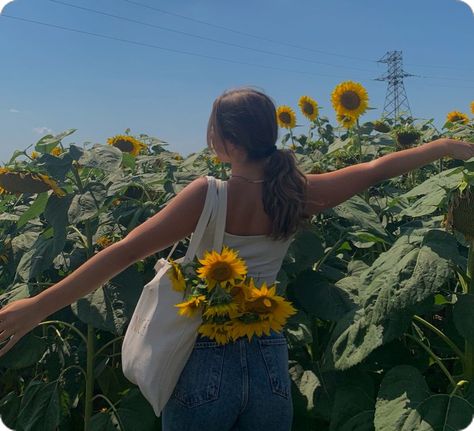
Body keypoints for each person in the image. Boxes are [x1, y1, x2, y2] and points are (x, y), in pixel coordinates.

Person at [0, 87, 473, 431]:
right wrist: (447, 146)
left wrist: (35, 307)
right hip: (269, 356)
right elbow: (376, 168)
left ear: (224, 142)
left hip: (199, 352)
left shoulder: (207, 194)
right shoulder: (299, 191)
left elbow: (121, 254)